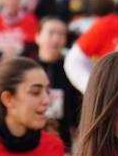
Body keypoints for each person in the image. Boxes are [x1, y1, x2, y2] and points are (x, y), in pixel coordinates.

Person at [34, 15, 83, 149]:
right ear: (37, 36)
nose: (56, 39)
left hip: (62, 140)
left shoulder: (71, 69)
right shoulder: (27, 68)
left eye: (61, 34)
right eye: (51, 33)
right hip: (31, 137)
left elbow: (78, 105)